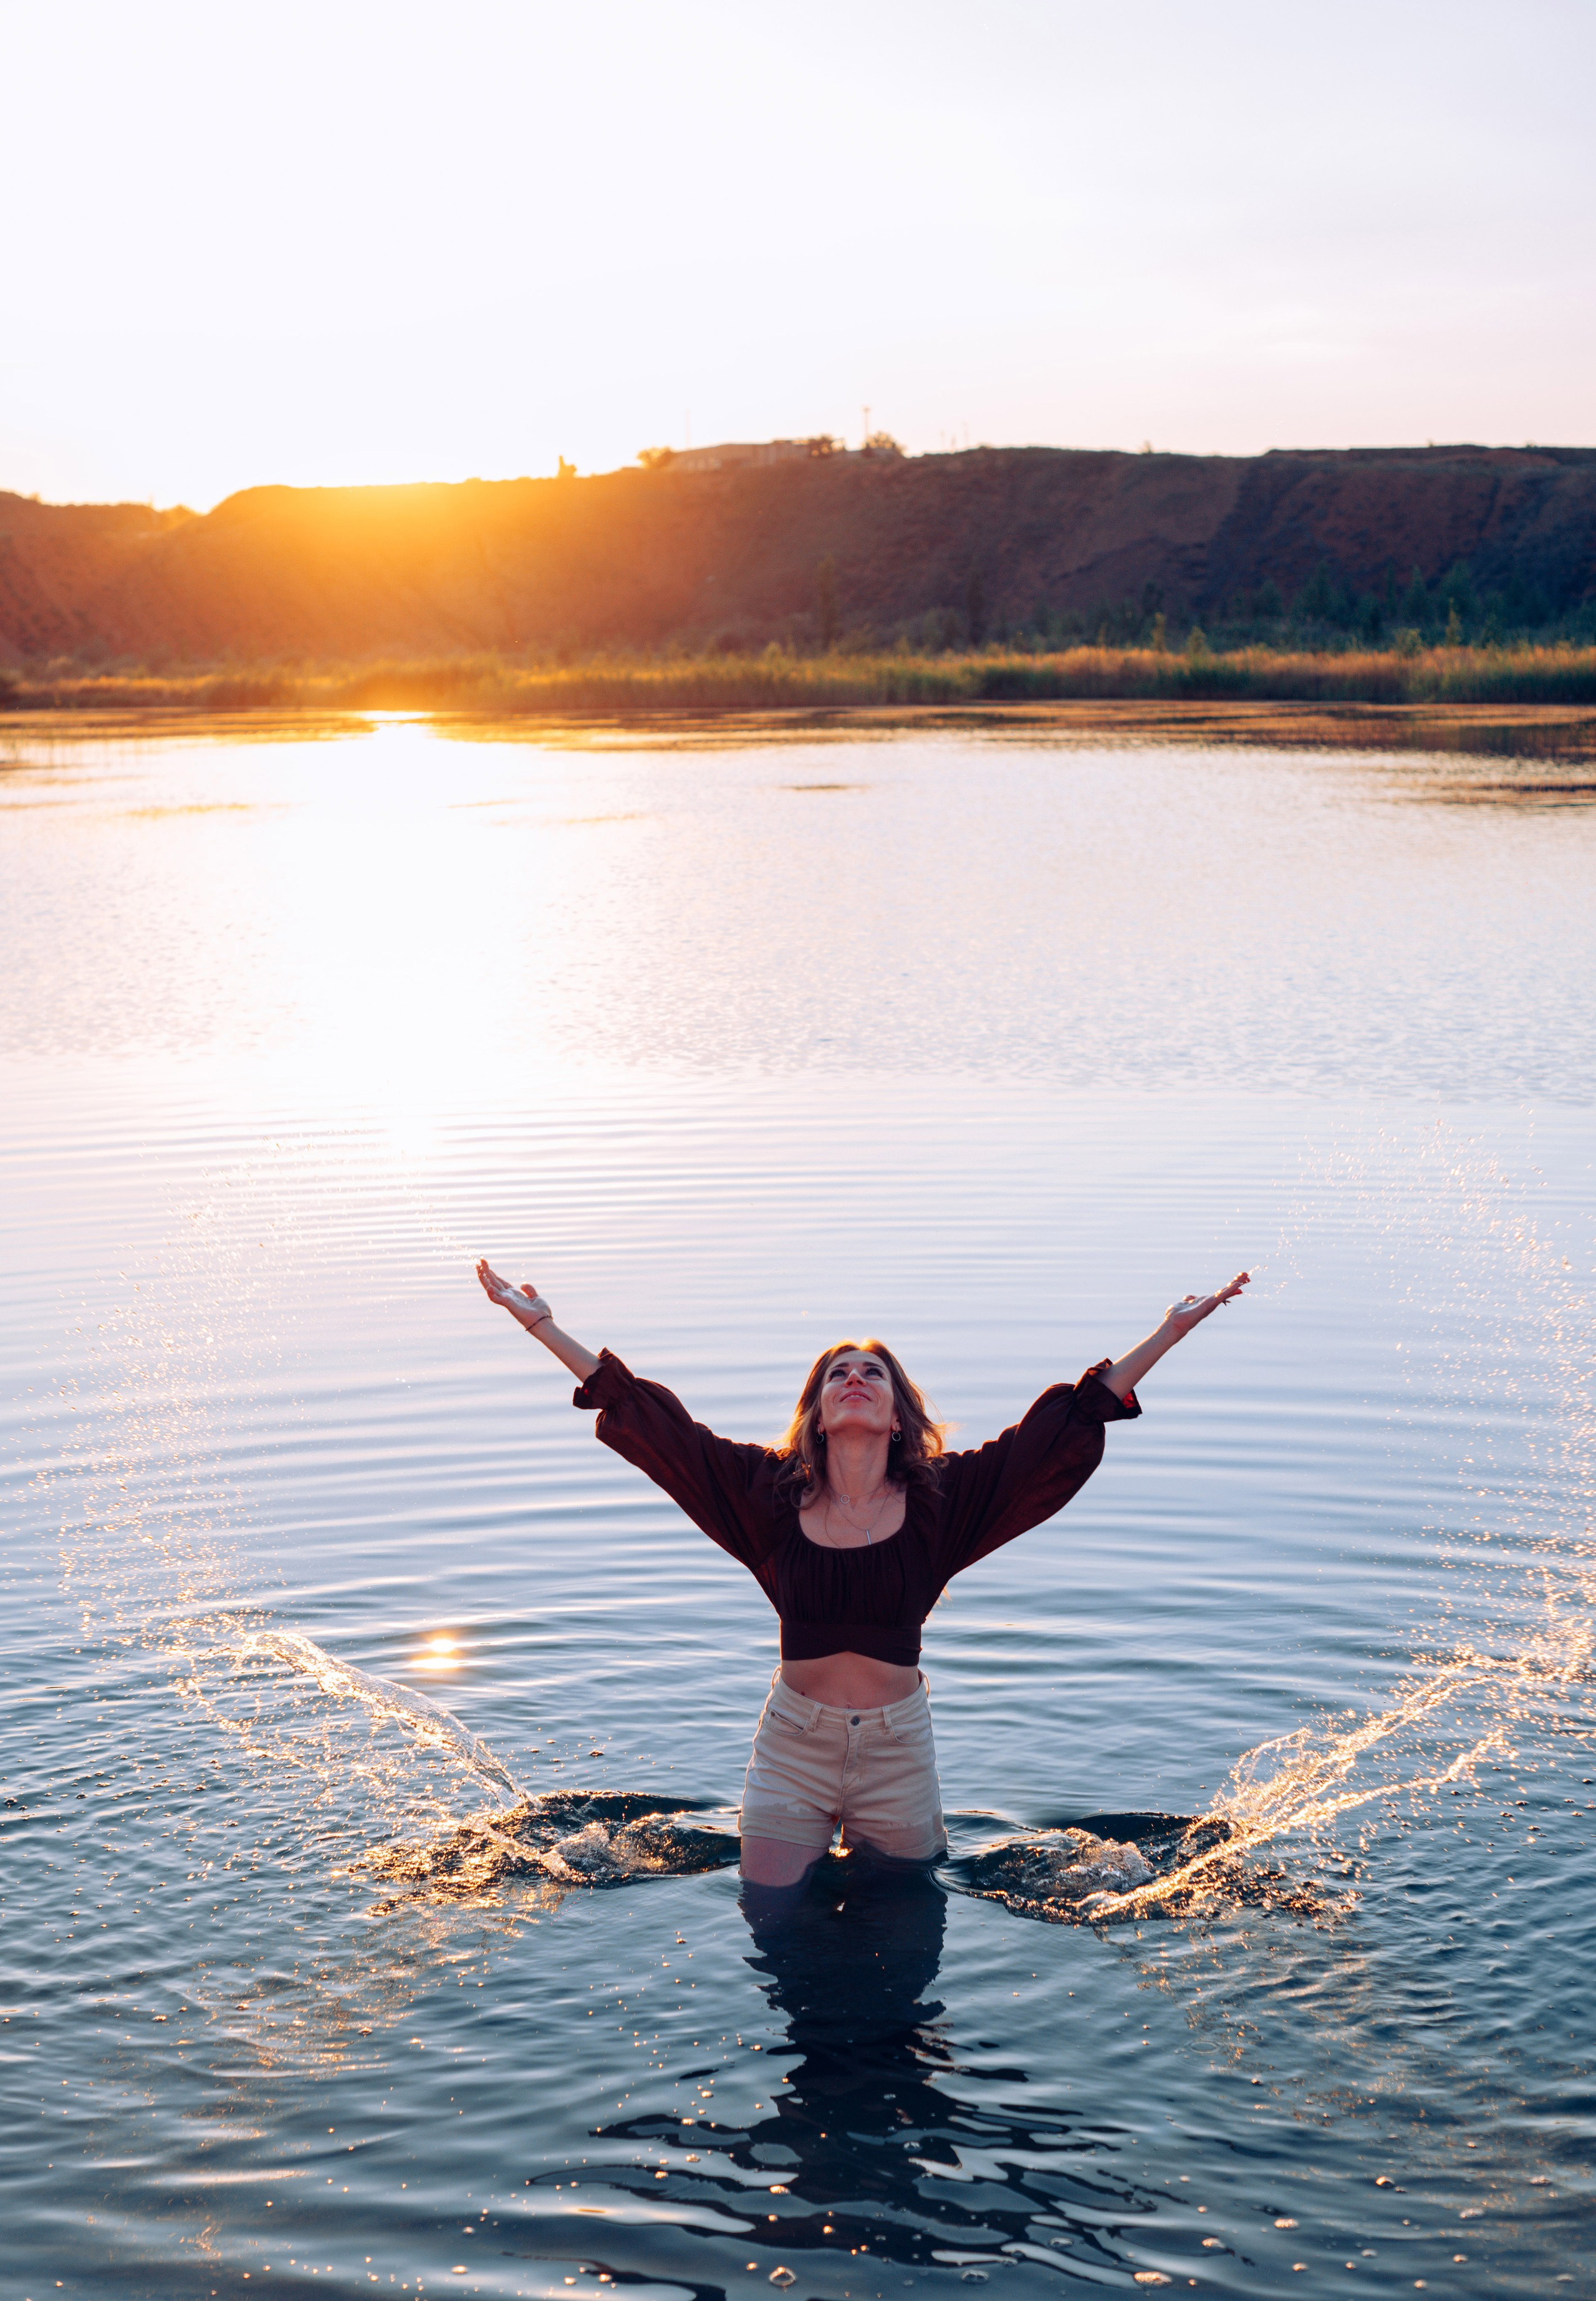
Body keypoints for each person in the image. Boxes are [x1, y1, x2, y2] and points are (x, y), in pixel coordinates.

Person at [476, 1261, 1249, 1890]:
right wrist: (540, 1325)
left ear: (897, 1414)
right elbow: (657, 1427)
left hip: (896, 1753)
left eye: (873, 1374)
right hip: (791, 1749)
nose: (854, 1379)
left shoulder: (943, 1501)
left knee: (904, 1946)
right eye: (837, 1373)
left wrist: (1167, 1333)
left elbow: (1059, 1432)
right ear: (814, 1412)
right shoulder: (764, 1496)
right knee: (773, 1936)